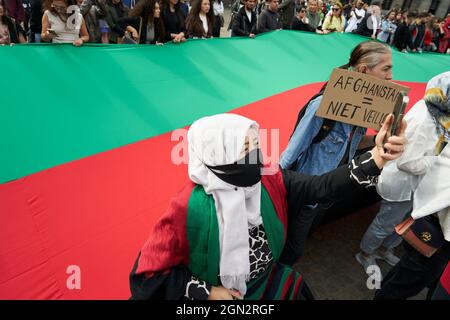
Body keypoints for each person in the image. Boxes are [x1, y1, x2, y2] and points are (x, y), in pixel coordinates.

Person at [129, 112, 406, 300]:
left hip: (266, 282)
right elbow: (146, 277)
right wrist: (208, 293)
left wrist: (376, 158)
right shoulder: (188, 207)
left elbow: (320, 187)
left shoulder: (270, 179)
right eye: (244, 148)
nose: (256, 156)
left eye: (256, 144)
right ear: (217, 154)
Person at [279, 41, 394, 265]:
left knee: (306, 232)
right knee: (294, 249)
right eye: (386, 68)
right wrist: (275, 190)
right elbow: (292, 152)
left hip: (333, 191)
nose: (391, 76)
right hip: (308, 194)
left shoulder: (365, 108)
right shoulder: (324, 104)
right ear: (363, 71)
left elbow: (354, 143)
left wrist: (380, 140)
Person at [355, 72, 449, 274]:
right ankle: (365, 253)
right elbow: (405, 162)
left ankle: (384, 249)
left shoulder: (441, 116)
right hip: (402, 185)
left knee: (404, 222)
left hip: (418, 186)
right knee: (385, 223)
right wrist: (439, 160)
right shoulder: (426, 118)